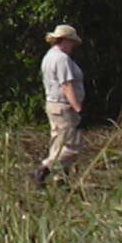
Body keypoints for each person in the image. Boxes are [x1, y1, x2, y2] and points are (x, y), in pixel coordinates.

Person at [32, 24, 85, 187]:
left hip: (53, 105)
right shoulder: (61, 59)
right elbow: (67, 85)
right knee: (71, 147)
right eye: (71, 43)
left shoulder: (49, 56)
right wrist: (78, 108)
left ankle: (61, 181)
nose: (73, 47)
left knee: (58, 144)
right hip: (63, 107)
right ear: (65, 40)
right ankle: (43, 170)